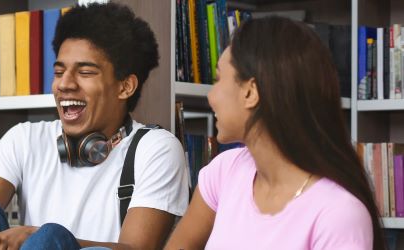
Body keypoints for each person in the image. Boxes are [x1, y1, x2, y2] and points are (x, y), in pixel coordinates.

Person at [0, 3, 189, 249]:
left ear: (125, 86)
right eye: (59, 72)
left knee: (50, 238)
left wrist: (36, 235)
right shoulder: (24, 138)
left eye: (85, 73)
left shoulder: (156, 148)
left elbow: (137, 249)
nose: (64, 84)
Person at [164, 16, 383, 249]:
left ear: (251, 92)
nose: (211, 96)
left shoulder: (338, 214)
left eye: (219, 79)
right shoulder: (224, 172)